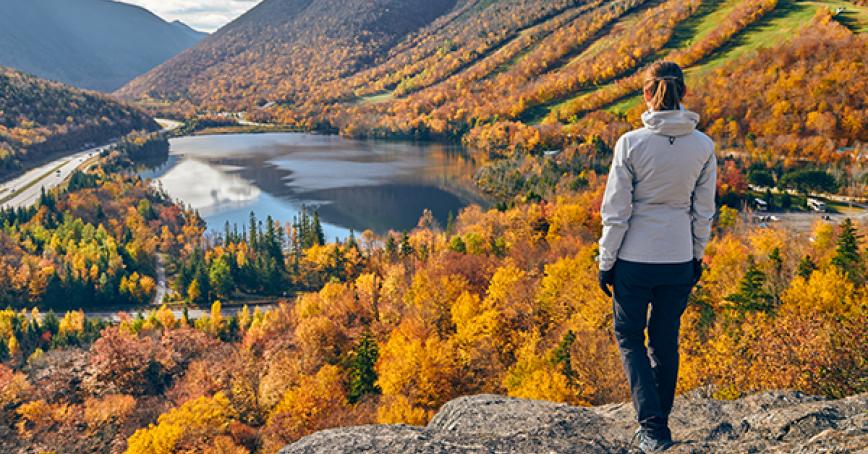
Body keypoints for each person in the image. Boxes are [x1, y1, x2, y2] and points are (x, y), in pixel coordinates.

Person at [597, 61, 717, 452]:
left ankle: (652, 427)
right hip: (679, 257)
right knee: (665, 340)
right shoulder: (703, 146)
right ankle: (657, 425)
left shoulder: (631, 144)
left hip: (634, 259)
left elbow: (616, 212)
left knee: (629, 337)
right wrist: (696, 256)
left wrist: (606, 262)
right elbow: (703, 211)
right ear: (683, 93)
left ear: (647, 95)